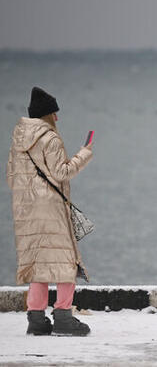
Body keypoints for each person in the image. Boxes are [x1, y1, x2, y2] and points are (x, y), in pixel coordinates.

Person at [6, 87, 94, 336]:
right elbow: (62, 173)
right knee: (66, 260)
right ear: (46, 115)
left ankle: (36, 319)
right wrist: (84, 153)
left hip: (25, 210)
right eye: (54, 113)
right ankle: (64, 317)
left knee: (38, 263)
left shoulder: (18, 141)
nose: (57, 118)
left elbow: (11, 178)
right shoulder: (51, 139)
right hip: (51, 209)